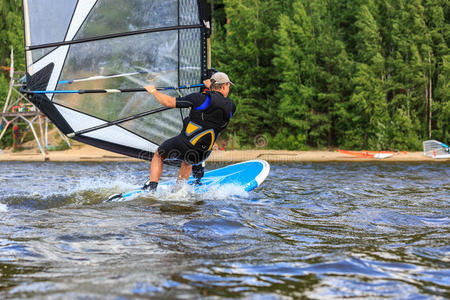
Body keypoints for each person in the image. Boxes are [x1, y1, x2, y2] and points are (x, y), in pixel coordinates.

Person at [143, 72, 236, 191]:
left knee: (159, 155)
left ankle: (152, 187)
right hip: (203, 154)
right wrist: (210, 88)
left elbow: (168, 102)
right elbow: (216, 103)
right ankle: (178, 192)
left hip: (184, 144)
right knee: (188, 161)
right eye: (228, 86)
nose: (228, 89)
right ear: (224, 86)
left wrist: (153, 91)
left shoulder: (197, 99)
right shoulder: (231, 107)